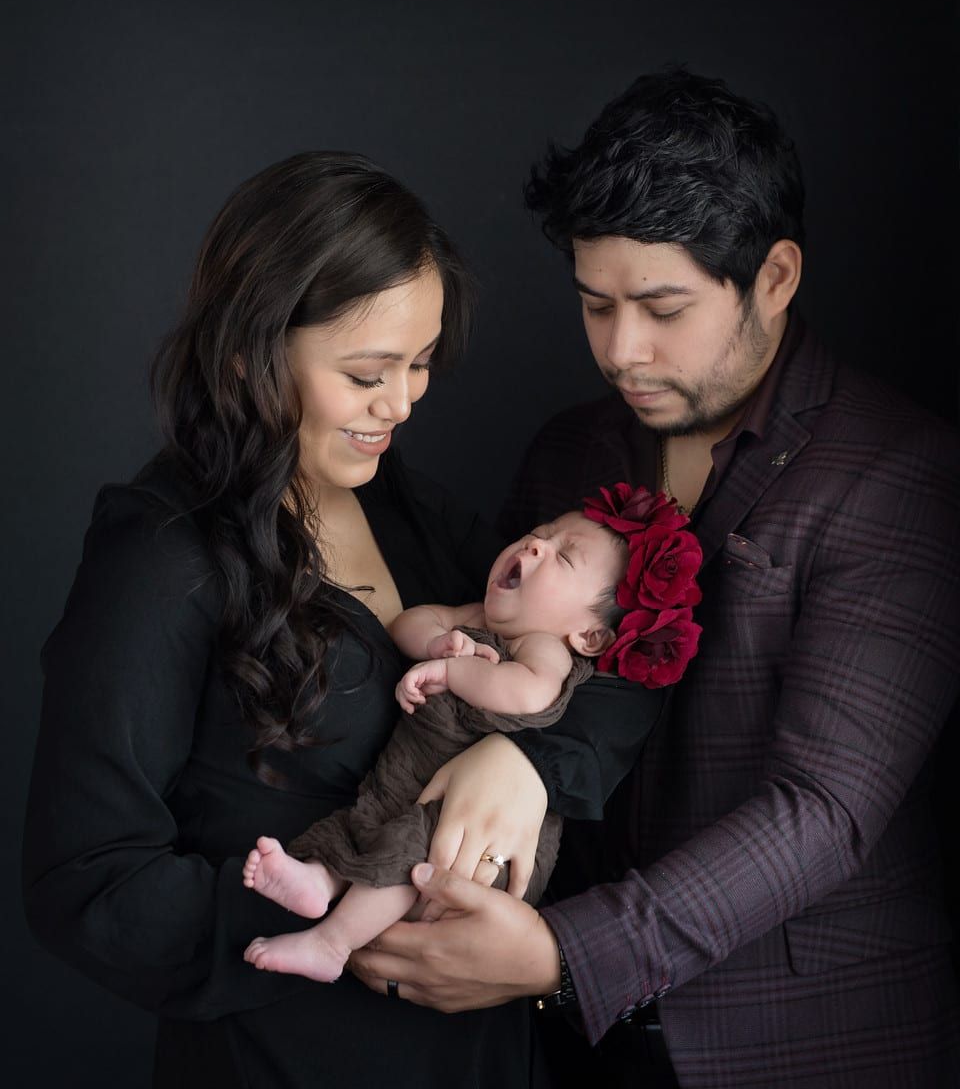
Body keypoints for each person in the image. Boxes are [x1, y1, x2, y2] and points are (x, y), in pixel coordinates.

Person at [348, 70, 960, 1087]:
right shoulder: (571, 454)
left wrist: (562, 956)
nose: (622, 350)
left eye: (663, 308)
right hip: (571, 1049)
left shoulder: (895, 473)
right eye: (596, 306)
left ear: (775, 277)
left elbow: (824, 810)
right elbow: (508, 662)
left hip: (807, 1045)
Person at [20, 151, 663, 1089]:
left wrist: (529, 766)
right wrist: (339, 916)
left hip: (481, 1057)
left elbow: (612, 667)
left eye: (421, 363)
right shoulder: (161, 557)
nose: (400, 403)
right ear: (250, 356)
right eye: (367, 373)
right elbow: (87, 882)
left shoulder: (407, 510)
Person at [240, 502, 644, 983]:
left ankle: (332, 944)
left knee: (413, 851)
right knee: (367, 821)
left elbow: (527, 693)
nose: (536, 544)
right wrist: (437, 641)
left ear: (590, 637)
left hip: (478, 832)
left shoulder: (545, 648)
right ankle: (320, 880)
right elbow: (407, 623)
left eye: (564, 556)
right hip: (420, 780)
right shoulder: (475, 616)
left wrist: (454, 670)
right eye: (541, 533)